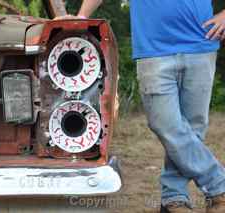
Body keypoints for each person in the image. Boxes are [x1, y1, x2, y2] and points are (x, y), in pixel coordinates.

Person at [55, 0, 225, 212]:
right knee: (165, 125)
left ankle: (174, 199)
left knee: (192, 129)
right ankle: (218, 185)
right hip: (154, 49)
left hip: (201, 45)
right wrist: (81, 17)